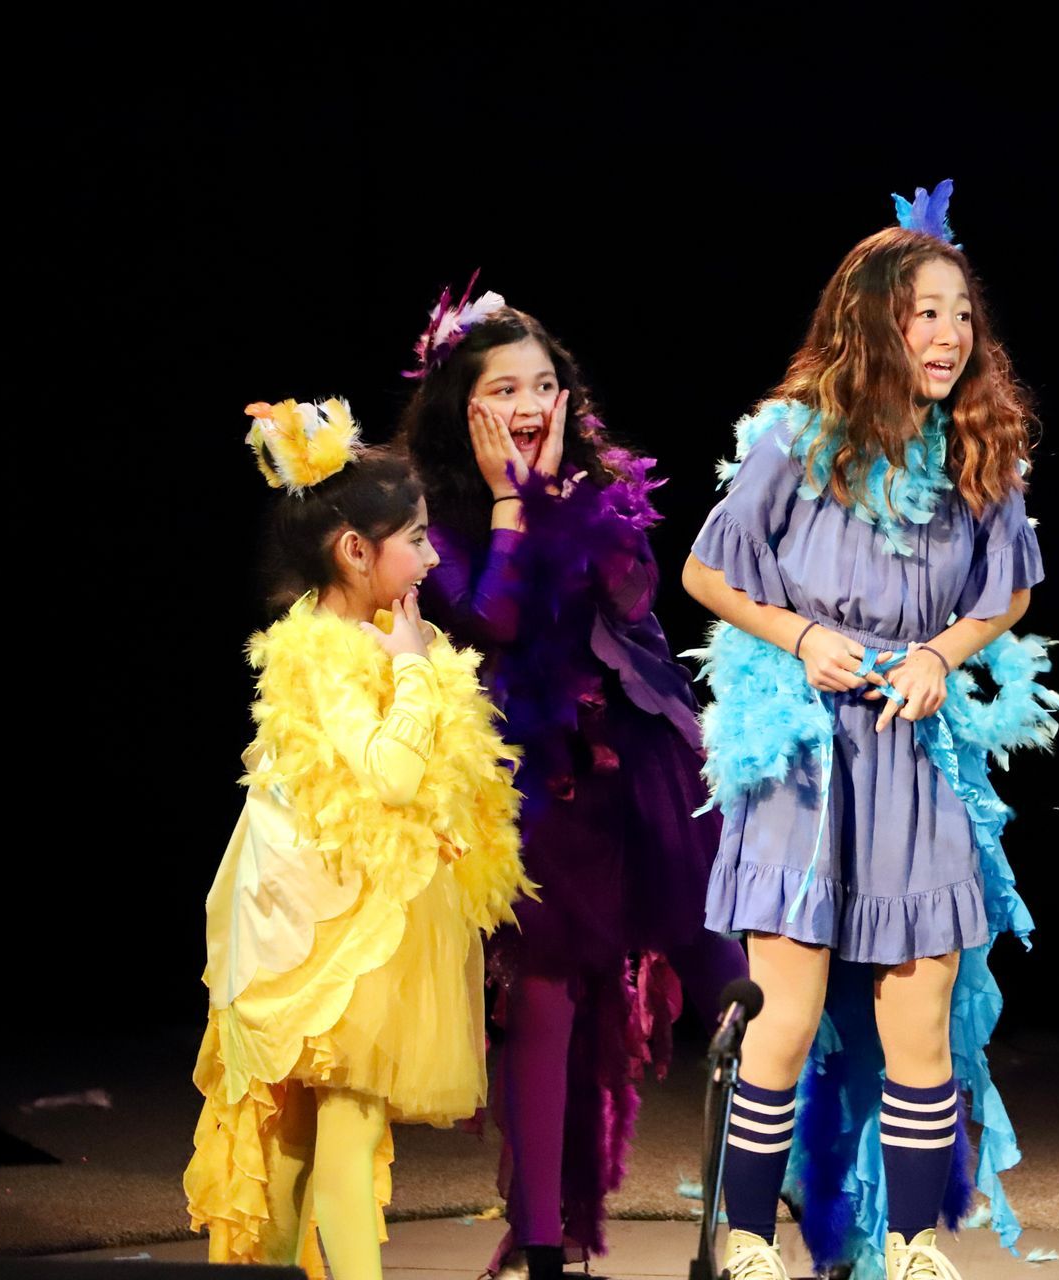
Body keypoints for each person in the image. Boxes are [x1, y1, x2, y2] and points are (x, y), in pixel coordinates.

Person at [683, 181, 1059, 1280]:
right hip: (804, 755)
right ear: (872, 324)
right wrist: (800, 636)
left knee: (923, 1005)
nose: (948, 335)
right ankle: (751, 1241)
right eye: (924, 312)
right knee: (789, 1014)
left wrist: (946, 652)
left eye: (961, 314)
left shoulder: (979, 452)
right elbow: (706, 568)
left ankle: (910, 1246)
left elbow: (1010, 594)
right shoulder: (796, 438)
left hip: (909, 749)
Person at [397, 283, 747, 1277]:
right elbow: (493, 622)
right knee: (544, 1002)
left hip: (615, 768)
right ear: (462, 401)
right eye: (504, 385)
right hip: (515, 782)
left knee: (703, 919)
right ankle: (543, 1239)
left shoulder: (598, 491)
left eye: (544, 384)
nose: (528, 402)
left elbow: (632, 591)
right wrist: (512, 505)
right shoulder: (430, 514)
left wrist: (560, 498)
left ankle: (761, 1091)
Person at [186, 398, 528, 1280]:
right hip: (329, 937)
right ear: (355, 550)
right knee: (339, 1127)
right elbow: (391, 775)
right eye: (416, 538)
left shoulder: (355, 635)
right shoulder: (337, 653)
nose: (433, 554)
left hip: (341, 913)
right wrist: (414, 670)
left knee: (317, 1134)